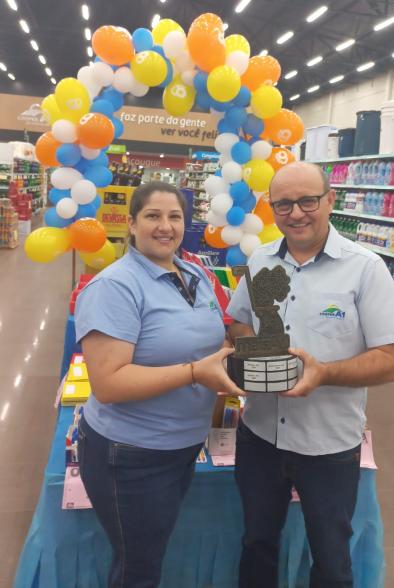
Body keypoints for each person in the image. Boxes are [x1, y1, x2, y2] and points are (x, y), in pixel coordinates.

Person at [227, 161, 394, 588]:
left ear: (330, 200)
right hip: (260, 435)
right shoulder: (261, 259)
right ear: (271, 208)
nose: (296, 213)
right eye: (283, 204)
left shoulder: (365, 268)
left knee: (331, 557)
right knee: (256, 542)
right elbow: (239, 321)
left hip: (328, 445)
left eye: (307, 201)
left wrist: (324, 373)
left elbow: (389, 356)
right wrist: (255, 351)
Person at [75, 181, 242, 588]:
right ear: (131, 224)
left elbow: (215, 336)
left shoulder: (194, 272)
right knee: (138, 568)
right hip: (131, 455)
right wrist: (195, 372)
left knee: (148, 552)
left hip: (182, 445)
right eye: (153, 216)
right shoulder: (114, 286)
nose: (165, 226)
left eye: (175, 217)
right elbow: (109, 384)